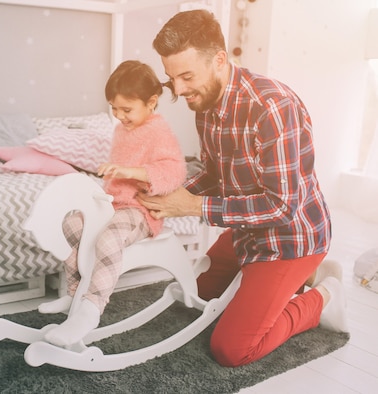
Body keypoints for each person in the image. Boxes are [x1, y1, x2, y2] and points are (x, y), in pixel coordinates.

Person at [136, 9, 347, 367]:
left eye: (187, 76)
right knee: (196, 296)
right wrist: (166, 191)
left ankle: (323, 295)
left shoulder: (273, 107)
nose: (181, 90)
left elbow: (282, 207)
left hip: (290, 239)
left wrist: (193, 207)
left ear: (219, 60)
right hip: (248, 231)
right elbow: (216, 174)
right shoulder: (205, 103)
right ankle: (291, 283)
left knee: (232, 348)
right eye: (174, 79)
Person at [39, 60, 187, 346]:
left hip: (142, 209)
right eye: (114, 108)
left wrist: (131, 172)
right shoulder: (122, 130)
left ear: (151, 102)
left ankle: (91, 308)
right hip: (113, 205)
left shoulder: (159, 132)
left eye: (126, 109)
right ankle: (74, 293)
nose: (119, 115)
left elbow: (173, 172)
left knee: (108, 239)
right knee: (71, 223)